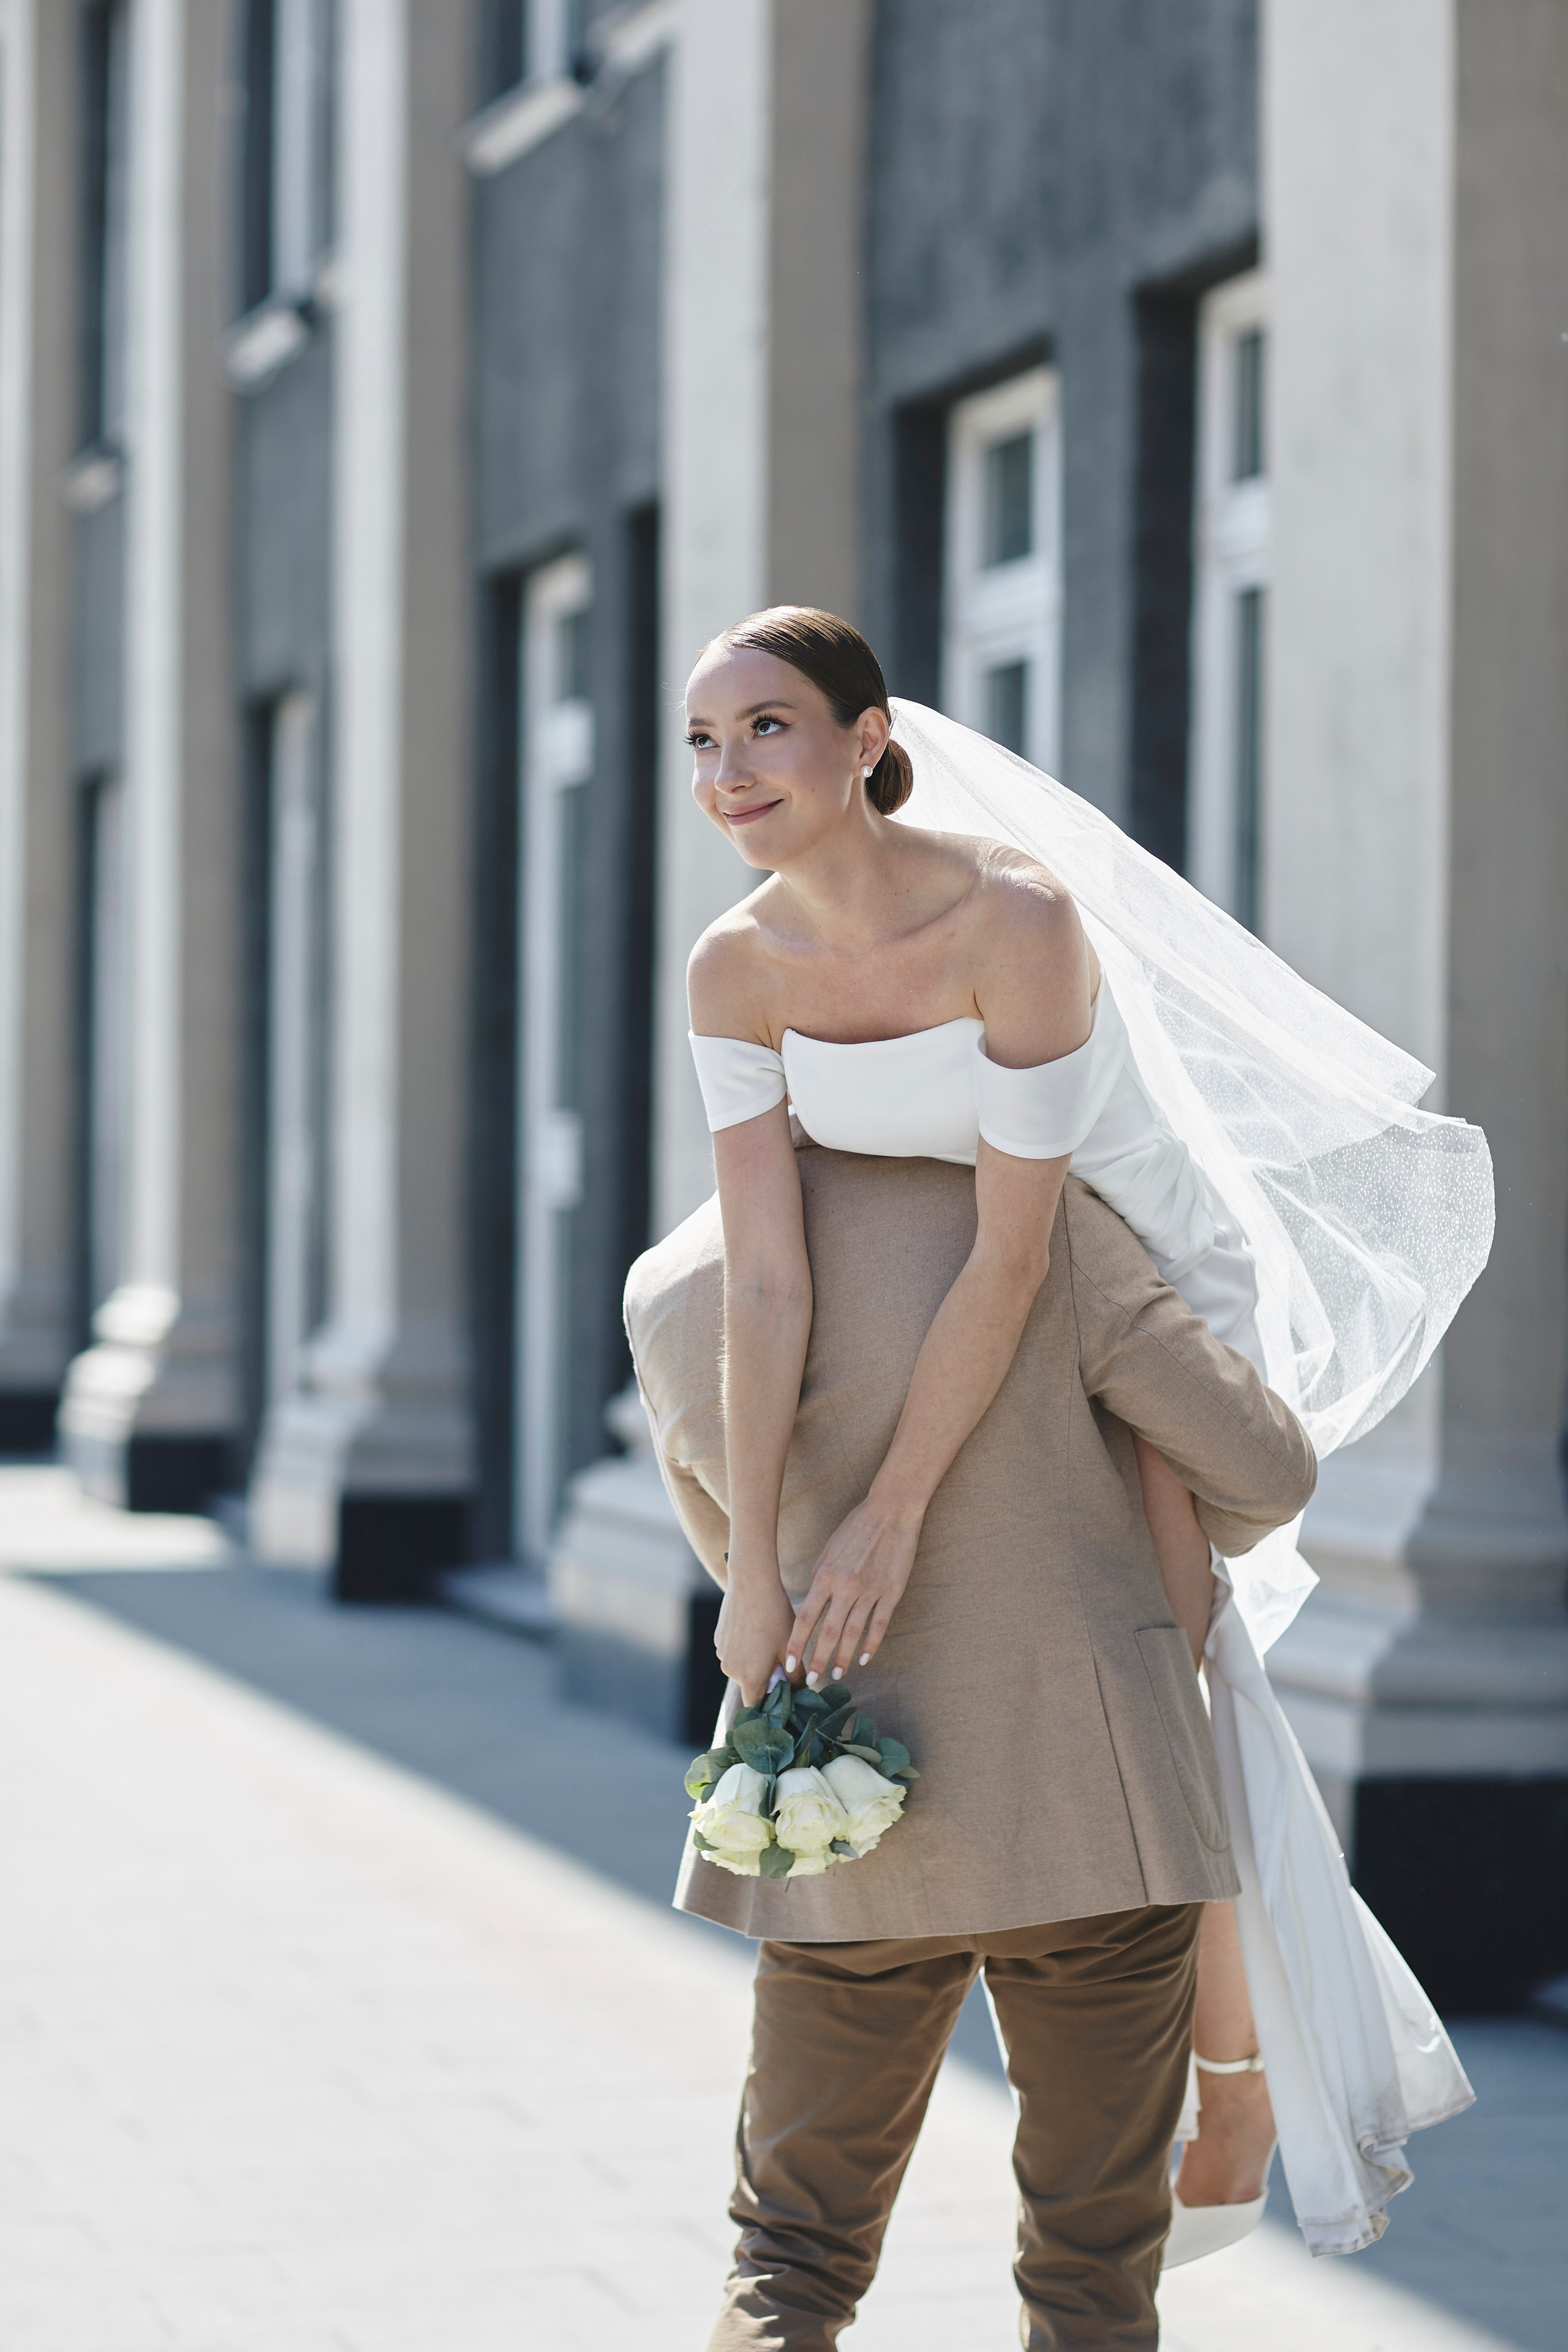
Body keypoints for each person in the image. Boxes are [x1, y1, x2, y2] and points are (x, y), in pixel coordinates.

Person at [665, 607, 1480, 2266]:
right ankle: (1216, 2080)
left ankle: (1234, 2081)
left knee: (1172, 1676)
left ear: (867, 737)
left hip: (1121, 1250)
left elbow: (1021, 1250)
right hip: (958, 1249)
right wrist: (753, 1569)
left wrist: (892, 1513)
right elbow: (763, 1278)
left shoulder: (1014, 919)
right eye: (703, 740)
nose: (729, 770)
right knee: (1141, 1690)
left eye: (767, 728)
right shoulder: (735, 966)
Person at [627, 1147, 1317, 2347]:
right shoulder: (1046, 1223)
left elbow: (734, 1565)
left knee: (788, 2254)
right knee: (1088, 2270)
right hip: (1091, 1817)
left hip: (837, 1817)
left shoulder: (674, 1281)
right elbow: (1264, 1473)